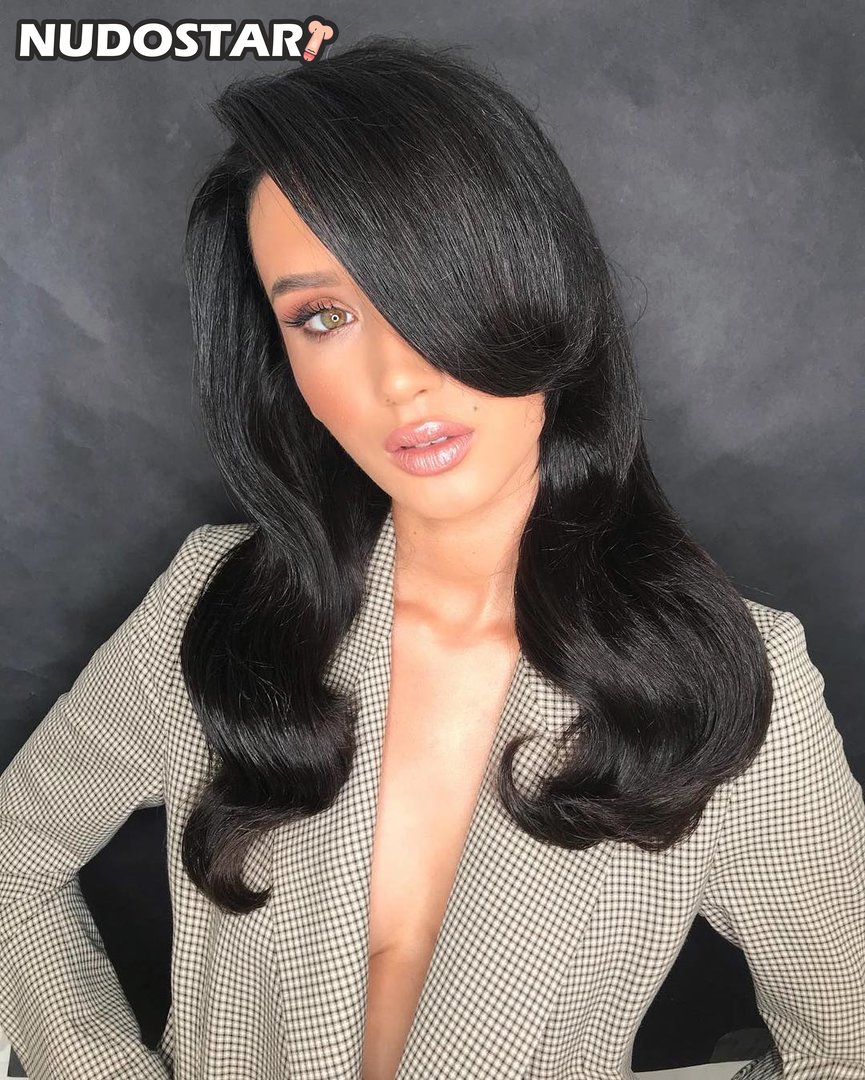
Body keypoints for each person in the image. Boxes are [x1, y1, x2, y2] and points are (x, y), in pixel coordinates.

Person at [1, 34, 863, 1080]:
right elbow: (12, 859)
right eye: (323, 316)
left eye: (425, 285)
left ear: (540, 284)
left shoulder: (724, 682)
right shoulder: (218, 613)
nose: (397, 377)